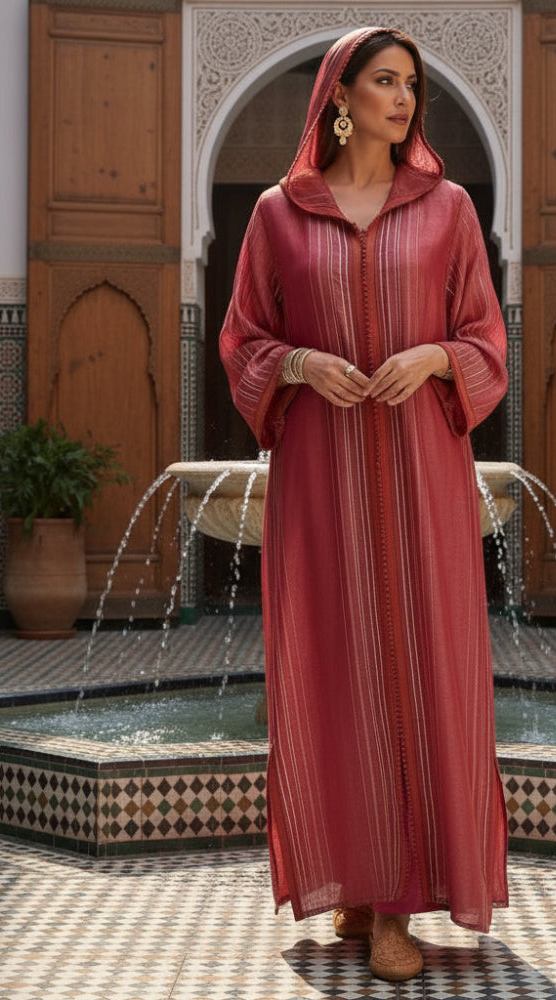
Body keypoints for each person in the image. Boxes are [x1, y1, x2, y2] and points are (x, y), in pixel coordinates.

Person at [219, 26, 509, 983]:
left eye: (412, 84)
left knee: (421, 664)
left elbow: (485, 340)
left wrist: (434, 357)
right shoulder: (277, 214)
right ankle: (351, 875)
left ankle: (396, 907)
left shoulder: (448, 208)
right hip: (321, 473)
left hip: (423, 468)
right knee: (333, 664)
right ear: (339, 96)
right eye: (385, 81)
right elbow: (244, 338)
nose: (403, 98)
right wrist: (300, 364)